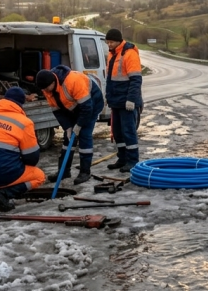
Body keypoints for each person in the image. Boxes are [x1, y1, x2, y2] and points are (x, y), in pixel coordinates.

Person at [34, 65, 105, 184]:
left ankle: (84, 172)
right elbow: (57, 111)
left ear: (53, 81)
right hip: (73, 109)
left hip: (92, 103)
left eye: (47, 88)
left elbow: (87, 108)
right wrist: (67, 127)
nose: (45, 91)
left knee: (84, 135)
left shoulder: (73, 81)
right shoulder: (46, 88)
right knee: (68, 139)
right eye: (43, 89)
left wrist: (79, 125)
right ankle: (64, 171)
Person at [104, 28, 143, 172]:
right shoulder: (112, 54)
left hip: (127, 102)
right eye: (107, 42)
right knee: (117, 132)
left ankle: (132, 160)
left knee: (128, 132)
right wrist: (108, 97)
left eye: (112, 42)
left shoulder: (129, 53)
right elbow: (110, 79)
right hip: (116, 100)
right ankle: (122, 158)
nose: (109, 44)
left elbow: (136, 80)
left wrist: (131, 100)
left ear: (119, 41)